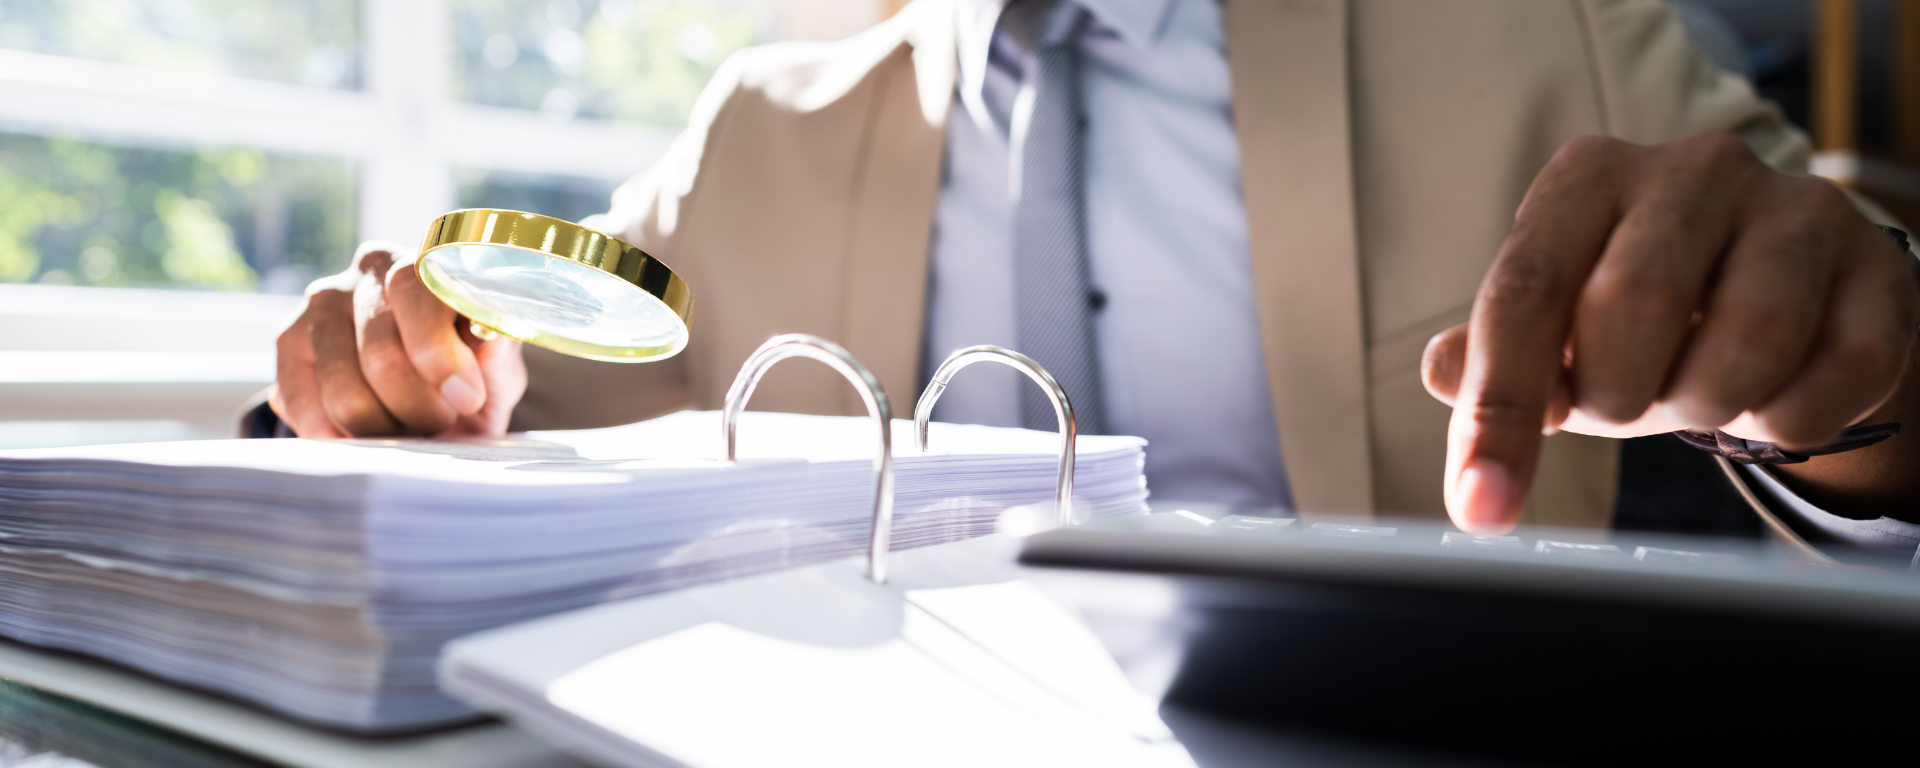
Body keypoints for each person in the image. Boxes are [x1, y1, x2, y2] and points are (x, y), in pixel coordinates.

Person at [260, 0, 1919, 543]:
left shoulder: (1547, 32)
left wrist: (1875, 385)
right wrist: (392, 389)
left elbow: (1847, 336)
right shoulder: (754, 130)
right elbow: (491, 403)